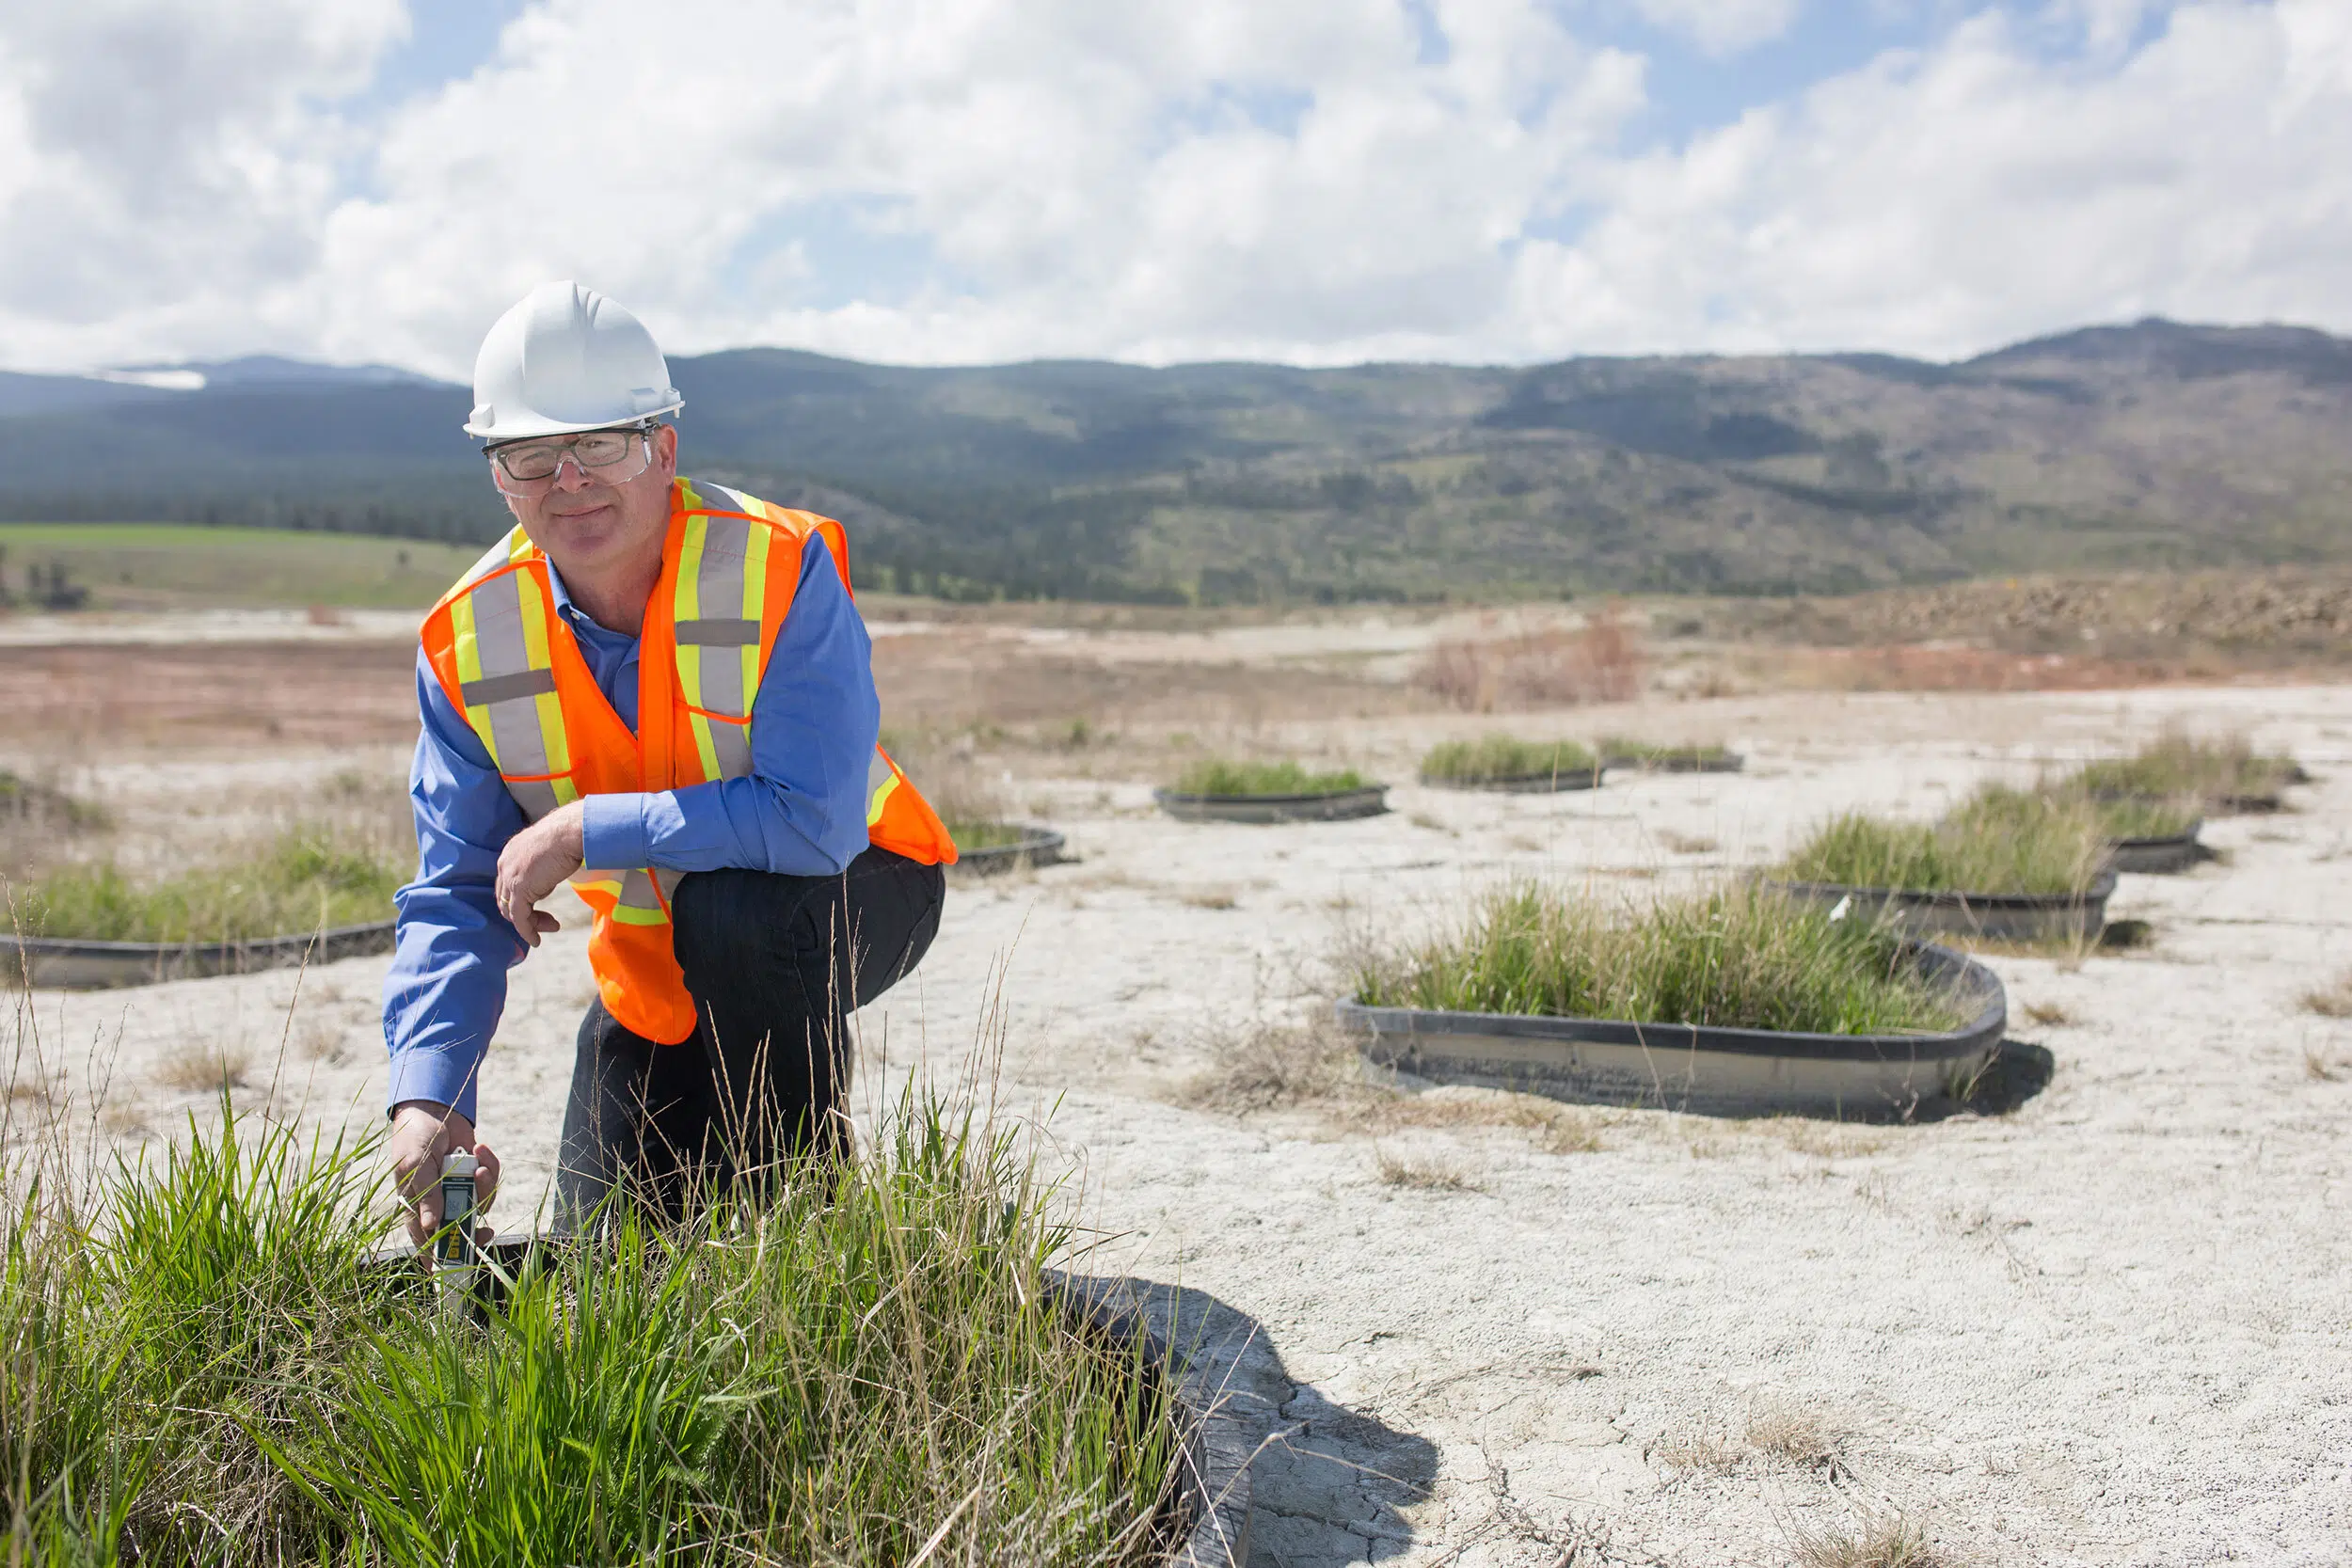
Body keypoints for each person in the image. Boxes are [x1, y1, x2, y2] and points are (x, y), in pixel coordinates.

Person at [380, 280, 956, 1244]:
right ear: (498, 474)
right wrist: (431, 1094)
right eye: (530, 452)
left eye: (600, 442)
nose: (567, 479)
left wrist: (583, 826)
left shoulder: (781, 564)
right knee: (606, 1276)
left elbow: (812, 824)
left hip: (856, 889)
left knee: (735, 915)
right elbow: (455, 890)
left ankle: (810, 1237)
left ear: (664, 448)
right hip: (656, 965)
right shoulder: (464, 638)